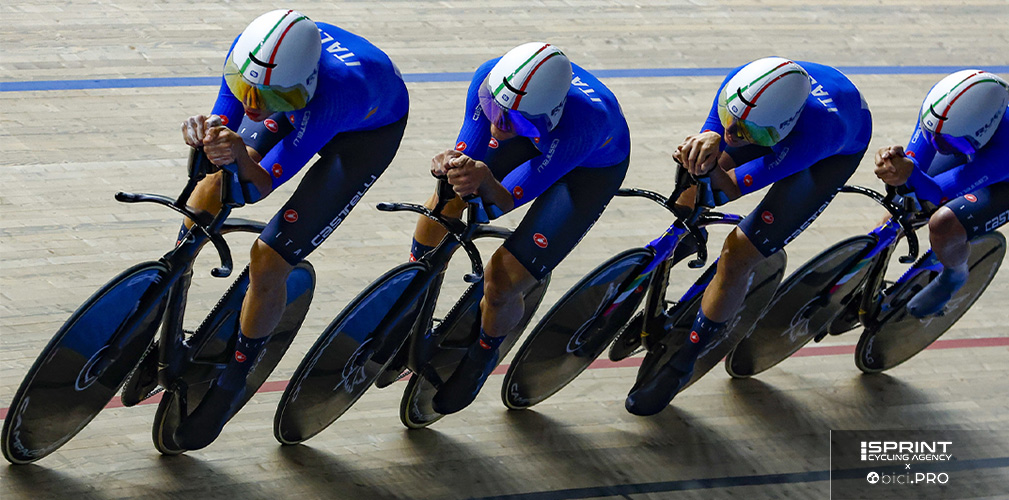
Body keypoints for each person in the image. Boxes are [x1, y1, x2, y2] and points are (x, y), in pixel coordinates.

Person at [167, 9, 409, 449]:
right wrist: (208, 135)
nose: (252, 105)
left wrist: (240, 153)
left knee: (270, 258)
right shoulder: (249, 59)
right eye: (245, 90)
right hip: (299, 99)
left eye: (266, 96)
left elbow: (258, 185)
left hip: (362, 132)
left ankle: (234, 381)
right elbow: (226, 126)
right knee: (210, 186)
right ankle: (169, 292)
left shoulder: (336, 94)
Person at [625, 57, 873, 416]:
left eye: (747, 134)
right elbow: (724, 138)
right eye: (729, 120)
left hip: (827, 153)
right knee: (691, 190)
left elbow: (729, 189)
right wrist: (705, 145)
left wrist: (714, 167)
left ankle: (685, 361)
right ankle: (685, 239)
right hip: (767, 116)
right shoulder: (742, 86)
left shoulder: (820, 132)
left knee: (739, 253)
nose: (733, 137)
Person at [410, 42, 631, 415]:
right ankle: (413, 294)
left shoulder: (583, 124)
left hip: (586, 170)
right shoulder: (489, 79)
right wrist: (454, 164)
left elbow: (501, 202)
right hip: (541, 137)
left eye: (513, 120)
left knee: (501, 279)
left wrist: (486, 181)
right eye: (495, 108)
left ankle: (484, 353)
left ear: (549, 113)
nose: (498, 123)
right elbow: (470, 155)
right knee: (447, 199)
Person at [873, 70, 1008, 317]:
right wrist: (895, 163)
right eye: (934, 139)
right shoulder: (939, 106)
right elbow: (915, 163)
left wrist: (909, 171)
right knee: (901, 206)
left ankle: (954, 276)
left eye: (952, 145)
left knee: (943, 222)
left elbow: (938, 195)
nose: (941, 148)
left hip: (1002, 178)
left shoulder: (1003, 150)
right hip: (974, 149)